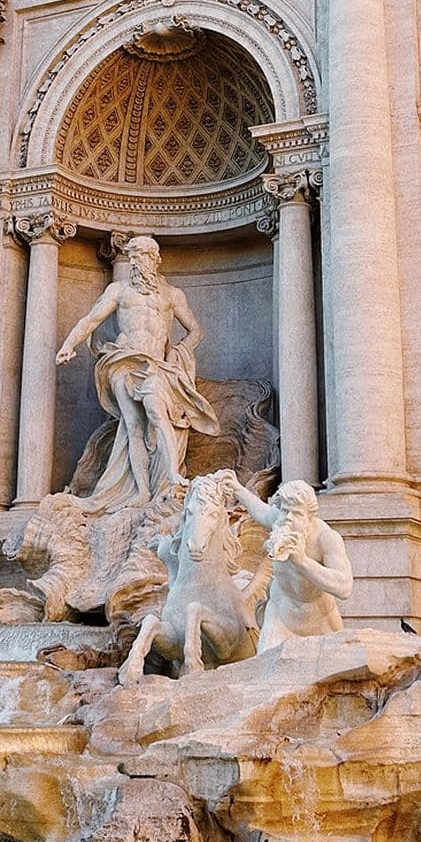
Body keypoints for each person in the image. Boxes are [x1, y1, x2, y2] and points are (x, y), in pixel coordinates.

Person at [56, 235, 218, 511]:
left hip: (155, 365)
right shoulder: (118, 291)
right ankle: (142, 491)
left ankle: (172, 475)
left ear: (155, 259)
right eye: (132, 256)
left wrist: (178, 353)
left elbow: (195, 331)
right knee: (132, 426)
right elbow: (92, 320)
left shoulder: (172, 295)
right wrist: (69, 344)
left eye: (140, 255)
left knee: (156, 411)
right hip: (123, 361)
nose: (135, 261)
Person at [221, 475, 352, 650]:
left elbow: (344, 587)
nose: (288, 518)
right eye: (285, 511)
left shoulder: (326, 538)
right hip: (280, 619)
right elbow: (259, 510)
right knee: (266, 663)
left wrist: (302, 561)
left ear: (309, 516)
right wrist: (237, 488)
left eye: (296, 513)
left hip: (321, 622)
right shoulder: (279, 521)